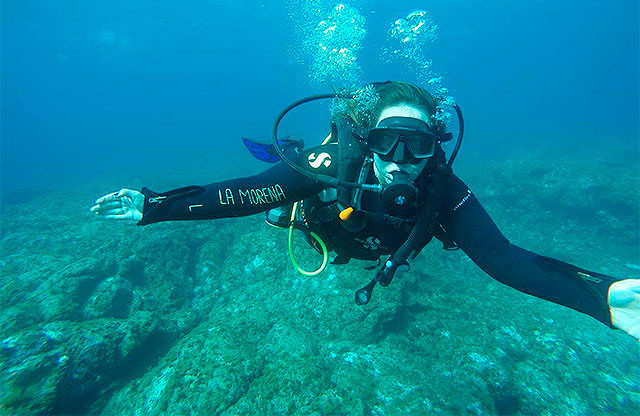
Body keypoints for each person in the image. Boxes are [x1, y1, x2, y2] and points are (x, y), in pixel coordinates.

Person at [91, 81, 640, 340]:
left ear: (435, 147)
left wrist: (601, 297)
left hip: (374, 244)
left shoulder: (443, 188)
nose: (400, 160)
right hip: (327, 228)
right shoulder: (335, 162)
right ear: (367, 141)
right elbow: (243, 194)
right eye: (386, 142)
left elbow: (503, 258)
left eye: (417, 145)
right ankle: (289, 160)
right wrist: (155, 205)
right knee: (278, 200)